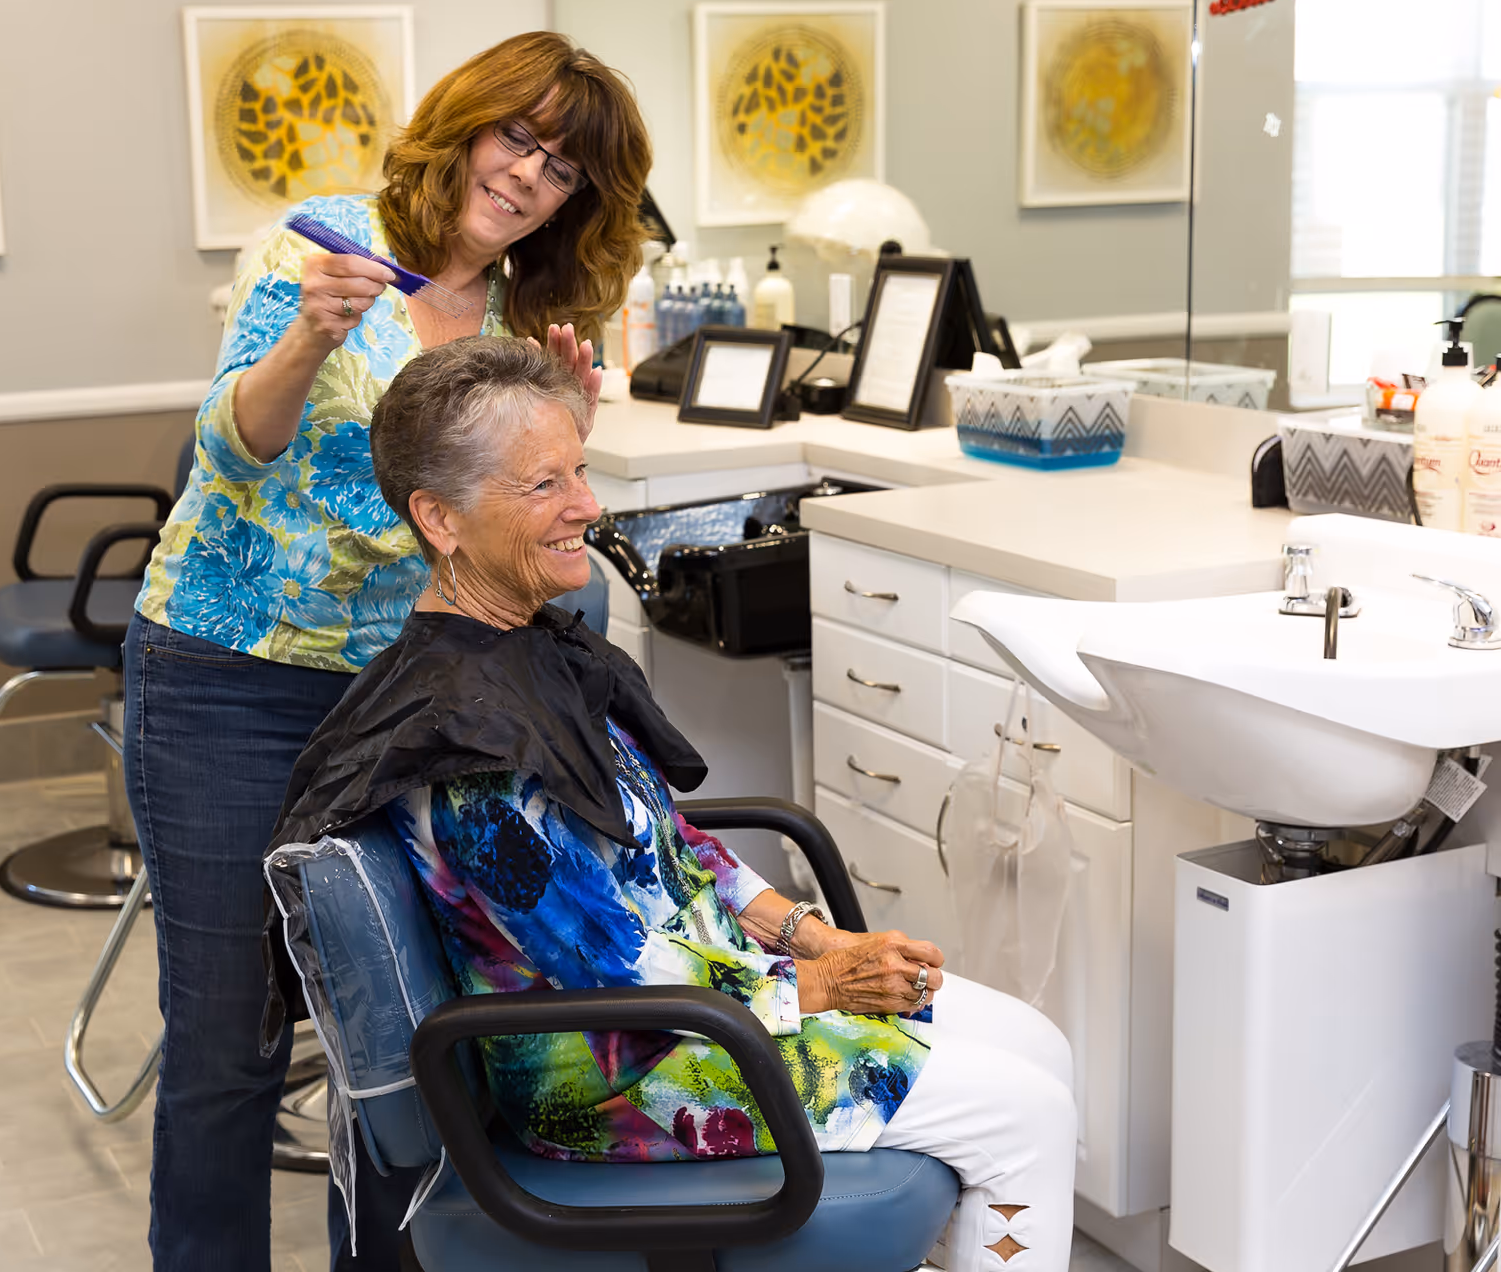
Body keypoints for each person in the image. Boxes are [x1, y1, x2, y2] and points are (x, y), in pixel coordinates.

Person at [272, 337, 1079, 1272]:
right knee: (1028, 1114)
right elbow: (610, 973)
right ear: (438, 518)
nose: (587, 505)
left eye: (579, 469)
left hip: (703, 998)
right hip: (624, 1071)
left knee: (1036, 1045)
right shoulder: (468, 747)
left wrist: (819, 942)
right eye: (544, 486)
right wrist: (820, 988)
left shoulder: (525, 651)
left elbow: (676, 847)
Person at [123, 30, 653, 1272]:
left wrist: (565, 423)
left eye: (561, 168)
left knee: (393, 1025)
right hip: (226, 678)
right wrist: (307, 336)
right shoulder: (326, 243)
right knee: (228, 1041)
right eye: (514, 137)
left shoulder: (529, 311)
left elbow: (495, 509)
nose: (525, 175)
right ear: (467, 124)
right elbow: (236, 449)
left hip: (401, 697)